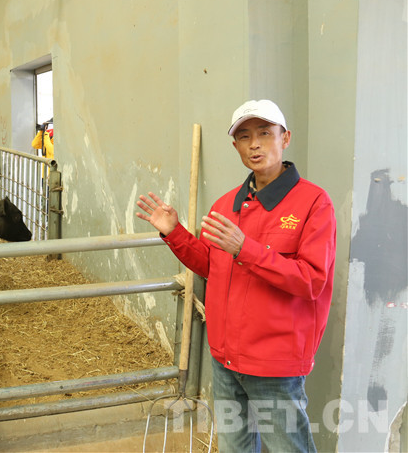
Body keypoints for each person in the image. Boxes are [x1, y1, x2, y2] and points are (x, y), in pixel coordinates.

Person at [136, 99, 336, 452]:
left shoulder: (313, 203)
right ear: (235, 146)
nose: (254, 144)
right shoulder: (226, 204)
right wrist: (175, 233)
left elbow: (311, 280)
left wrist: (246, 249)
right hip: (226, 359)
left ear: (285, 138)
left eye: (264, 133)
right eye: (244, 137)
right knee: (235, 447)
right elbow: (212, 267)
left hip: (274, 363)